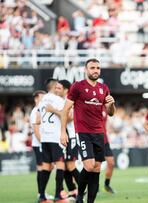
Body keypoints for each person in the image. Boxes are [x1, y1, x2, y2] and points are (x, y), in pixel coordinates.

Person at [60, 58, 116, 203]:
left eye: (97, 68)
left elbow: (110, 113)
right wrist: (63, 132)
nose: (95, 70)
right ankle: (80, 196)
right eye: (92, 68)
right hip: (83, 132)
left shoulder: (104, 88)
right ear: (86, 70)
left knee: (97, 168)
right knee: (89, 165)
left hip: (99, 133)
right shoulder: (77, 86)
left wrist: (111, 104)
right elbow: (65, 109)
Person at [37, 79, 68, 203]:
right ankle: (57, 195)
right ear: (55, 87)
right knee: (60, 165)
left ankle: (42, 196)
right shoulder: (59, 100)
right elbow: (64, 115)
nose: (58, 88)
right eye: (58, 86)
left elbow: (39, 118)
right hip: (55, 137)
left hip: (45, 138)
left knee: (46, 166)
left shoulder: (42, 100)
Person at [51, 80, 80, 200]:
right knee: (66, 166)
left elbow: (69, 118)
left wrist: (52, 110)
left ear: (66, 90)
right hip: (65, 137)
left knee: (70, 165)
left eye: (59, 88)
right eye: (55, 88)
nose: (56, 90)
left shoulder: (70, 101)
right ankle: (73, 191)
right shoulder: (60, 101)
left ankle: (85, 187)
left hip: (72, 136)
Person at [29, 90, 46, 201]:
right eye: (42, 97)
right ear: (36, 99)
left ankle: (42, 193)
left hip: (42, 143)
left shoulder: (40, 111)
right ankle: (41, 194)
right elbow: (36, 130)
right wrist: (43, 144)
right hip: (39, 144)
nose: (44, 100)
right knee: (41, 168)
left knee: (44, 169)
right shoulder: (35, 111)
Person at [102, 109, 116, 194]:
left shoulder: (105, 107)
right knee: (94, 165)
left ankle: (106, 185)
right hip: (94, 139)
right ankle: (92, 186)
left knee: (111, 163)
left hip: (105, 140)